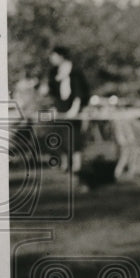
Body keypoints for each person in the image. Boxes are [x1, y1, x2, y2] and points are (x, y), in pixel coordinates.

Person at [47, 46, 90, 185]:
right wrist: (54, 107)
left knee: (75, 137)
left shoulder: (75, 71)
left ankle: (77, 166)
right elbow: (52, 92)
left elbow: (79, 92)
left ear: (61, 56)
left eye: (53, 55)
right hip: (60, 107)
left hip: (74, 107)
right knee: (60, 135)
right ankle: (65, 164)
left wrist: (75, 109)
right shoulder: (53, 72)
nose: (51, 59)